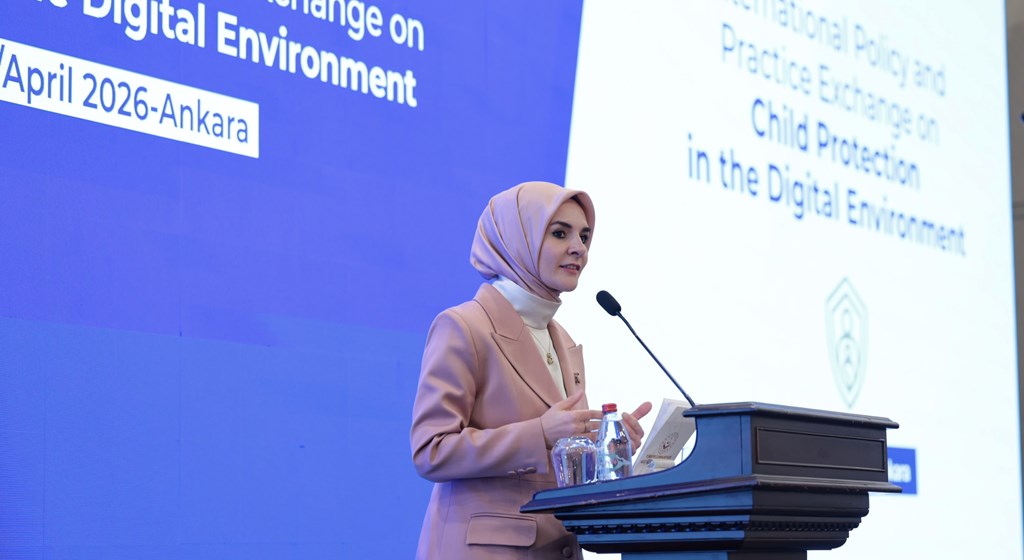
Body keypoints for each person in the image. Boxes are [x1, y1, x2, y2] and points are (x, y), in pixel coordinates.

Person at [410, 181, 653, 559]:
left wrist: (608, 450)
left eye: (584, 236)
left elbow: (560, 464)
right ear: (517, 239)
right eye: (560, 233)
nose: (579, 248)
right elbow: (431, 450)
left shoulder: (563, 340)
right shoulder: (463, 326)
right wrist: (538, 434)